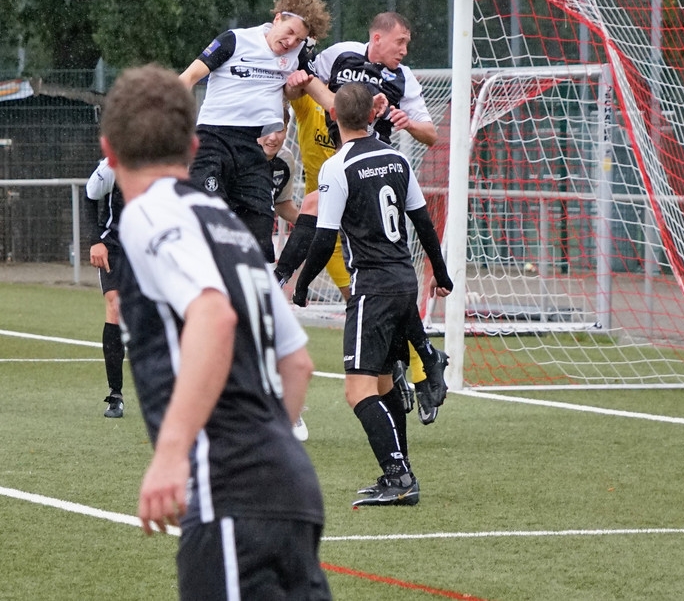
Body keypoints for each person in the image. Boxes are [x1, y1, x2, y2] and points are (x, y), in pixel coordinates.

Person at [101, 64, 331, 599]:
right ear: (192, 146)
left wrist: (172, 453)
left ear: (109, 152)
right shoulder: (230, 225)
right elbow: (296, 363)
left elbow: (213, 315)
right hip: (291, 483)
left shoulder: (150, 212)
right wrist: (265, 452)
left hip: (230, 494)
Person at [279, 12, 443, 423]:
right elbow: (300, 79)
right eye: (400, 41)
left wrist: (407, 122)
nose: (405, 50)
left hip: (369, 178)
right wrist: (297, 79)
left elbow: (430, 134)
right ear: (377, 37)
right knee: (374, 294)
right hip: (341, 191)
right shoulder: (337, 59)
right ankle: (416, 365)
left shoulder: (401, 80)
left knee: (378, 285)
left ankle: (418, 370)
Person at [293, 83, 451, 507]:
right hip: (403, 280)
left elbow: (324, 238)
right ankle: (399, 471)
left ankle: (400, 478)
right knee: (383, 384)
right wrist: (441, 273)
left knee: (358, 391)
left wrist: (303, 285)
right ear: (372, 116)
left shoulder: (337, 166)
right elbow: (423, 222)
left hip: (372, 290)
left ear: (333, 116)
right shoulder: (397, 158)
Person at [178, 0, 330, 263]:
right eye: (290, 32)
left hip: (254, 148)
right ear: (277, 18)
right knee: (210, 224)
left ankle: (255, 288)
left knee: (260, 236)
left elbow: (325, 97)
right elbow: (187, 78)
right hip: (213, 141)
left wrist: (366, 109)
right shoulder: (234, 40)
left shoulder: (297, 56)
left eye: (299, 39)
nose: (291, 42)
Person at [258, 108, 310, 442]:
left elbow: (282, 205)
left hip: (263, 259)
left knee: (275, 334)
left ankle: (289, 410)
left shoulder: (285, 161)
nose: (274, 136)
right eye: (267, 128)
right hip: (225, 260)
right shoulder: (234, 156)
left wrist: (314, 223)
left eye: (281, 127)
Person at [85, 157, 126, 418]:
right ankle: (115, 394)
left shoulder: (167, 160)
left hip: (151, 246)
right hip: (114, 246)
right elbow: (90, 196)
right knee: (116, 306)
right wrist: (95, 240)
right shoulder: (113, 164)